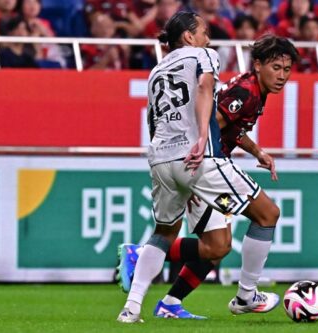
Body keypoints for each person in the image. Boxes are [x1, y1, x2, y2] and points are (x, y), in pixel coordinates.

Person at [116, 12, 290, 323]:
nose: (208, 39)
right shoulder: (204, 56)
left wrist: (255, 151)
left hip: (161, 159)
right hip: (200, 159)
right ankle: (247, 295)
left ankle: (132, 309)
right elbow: (206, 90)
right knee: (268, 214)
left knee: (190, 240)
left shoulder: (156, 71)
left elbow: (153, 118)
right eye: (204, 32)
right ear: (188, 37)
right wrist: (200, 141)